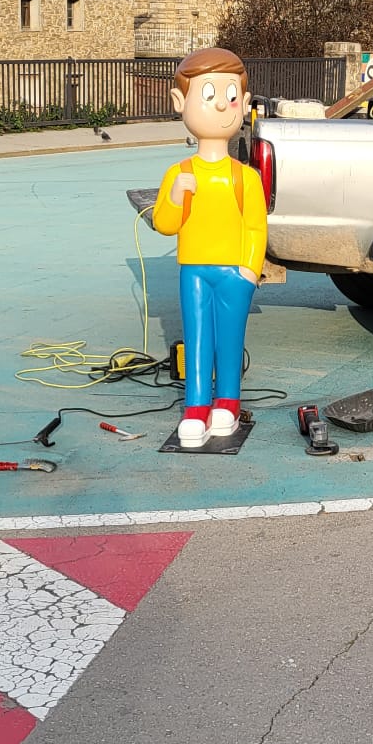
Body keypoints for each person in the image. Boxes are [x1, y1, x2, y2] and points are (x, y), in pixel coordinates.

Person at [152, 48, 268, 450]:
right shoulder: (179, 173)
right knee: (197, 338)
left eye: (230, 95)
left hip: (233, 271)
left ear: (244, 103)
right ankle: (197, 406)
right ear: (179, 102)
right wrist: (175, 197)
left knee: (229, 340)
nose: (221, 104)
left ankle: (228, 403)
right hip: (195, 270)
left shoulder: (245, 177)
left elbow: (256, 226)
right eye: (208, 94)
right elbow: (165, 224)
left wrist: (249, 269)